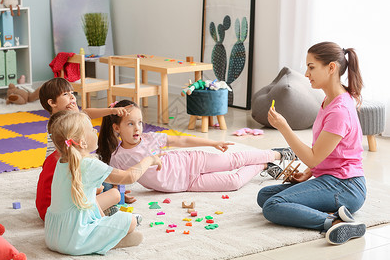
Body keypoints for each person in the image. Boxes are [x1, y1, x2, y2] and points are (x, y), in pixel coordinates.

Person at [258, 41, 367, 245]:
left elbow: (314, 156)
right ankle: (332, 211)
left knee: (273, 206)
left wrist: (284, 127)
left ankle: (334, 222)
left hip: (346, 186)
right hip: (333, 179)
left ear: (331, 68)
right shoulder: (330, 99)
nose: (306, 74)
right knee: (264, 196)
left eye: (311, 67)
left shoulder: (339, 110)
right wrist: (309, 173)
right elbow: (330, 152)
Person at [97, 100, 296, 193]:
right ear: (116, 128)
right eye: (130, 124)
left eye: (139, 122)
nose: (137, 128)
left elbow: (182, 141)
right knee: (233, 182)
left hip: (191, 162)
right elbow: (117, 181)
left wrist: (214, 142)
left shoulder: (150, 139)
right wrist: (120, 196)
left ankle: (276, 154)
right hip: (186, 185)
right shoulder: (118, 157)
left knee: (231, 161)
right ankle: (263, 166)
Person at [45, 111, 162, 255]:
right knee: (130, 220)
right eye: (92, 129)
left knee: (108, 196)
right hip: (75, 240)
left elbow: (88, 196)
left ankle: (104, 235)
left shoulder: (62, 162)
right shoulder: (89, 164)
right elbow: (129, 177)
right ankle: (105, 241)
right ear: (82, 142)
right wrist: (150, 159)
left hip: (53, 236)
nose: (96, 131)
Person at [36, 77, 134, 222]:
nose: (72, 97)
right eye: (65, 94)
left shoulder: (69, 119)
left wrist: (112, 110)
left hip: (70, 171)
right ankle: (105, 201)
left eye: (72, 93)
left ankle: (110, 195)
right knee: (106, 185)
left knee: (107, 182)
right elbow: (84, 114)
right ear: (52, 103)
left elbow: (86, 113)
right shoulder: (58, 123)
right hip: (65, 167)